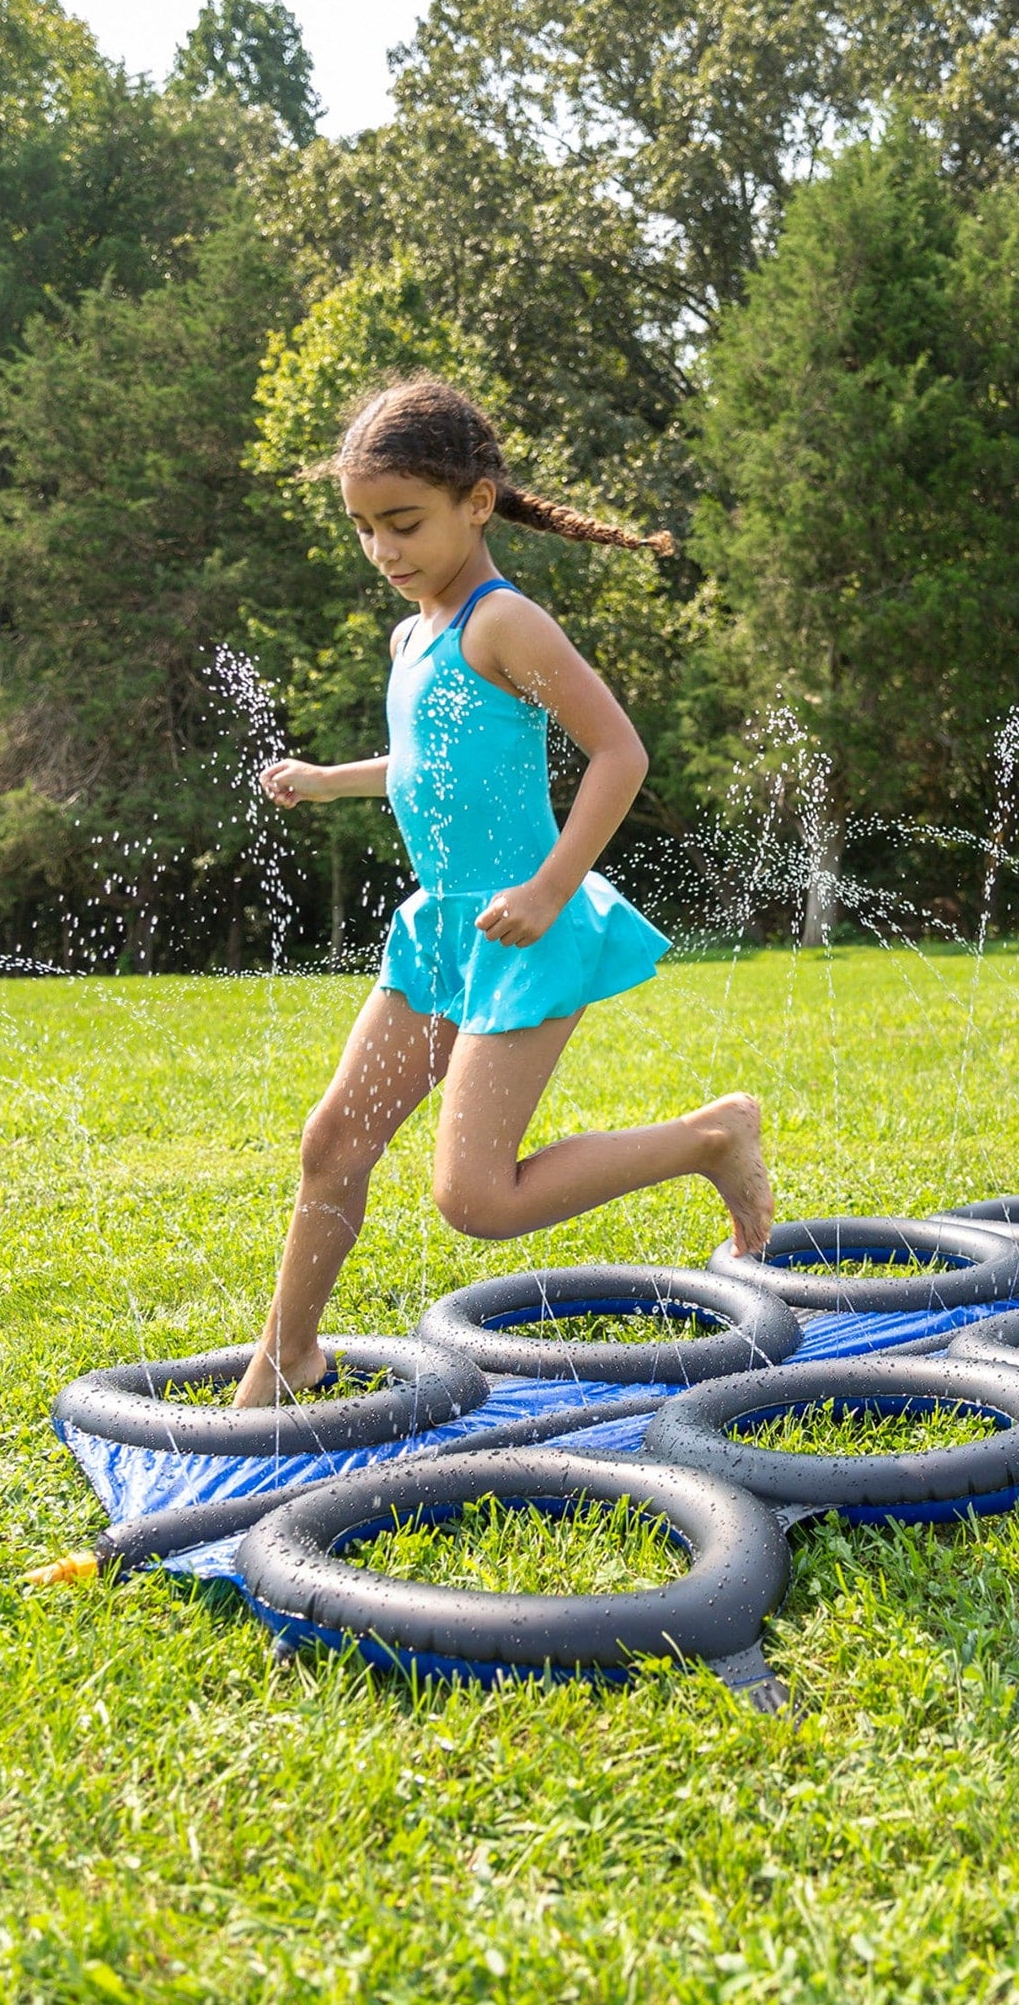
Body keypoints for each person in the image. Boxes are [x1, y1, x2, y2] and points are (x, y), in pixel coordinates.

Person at [233, 378, 773, 1409]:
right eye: (362, 530)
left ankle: (712, 1136)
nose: (382, 551)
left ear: (476, 503)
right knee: (334, 1140)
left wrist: (545, 887)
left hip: (527, 926)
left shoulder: (502, 620)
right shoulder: (413, 634)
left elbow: (618, 752)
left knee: (475, 1199)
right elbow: (426, 760)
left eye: (403, 524)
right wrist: (329, 779)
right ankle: (282, 1365)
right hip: (440, 926)